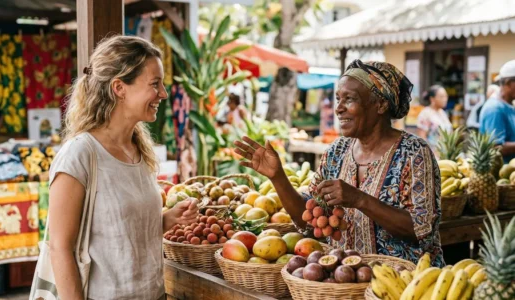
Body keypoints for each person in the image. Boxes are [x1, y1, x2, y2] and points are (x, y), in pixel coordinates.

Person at [235, 59, 444, 267]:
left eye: (349, 99)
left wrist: (359, 199)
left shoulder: (414, 153)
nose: (339, 109)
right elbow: (308, 222)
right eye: (338, 99)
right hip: (347, 282)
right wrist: (278, 177)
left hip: (407, 285)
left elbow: (422, 229)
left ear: (381, 104)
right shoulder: (338, 151)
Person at [48, 35, 198, 299]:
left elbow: (120, 234)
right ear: (119, 88)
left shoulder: (140, 150)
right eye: (155, 84)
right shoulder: (81, 154)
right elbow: (60, 248)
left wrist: (167, 219)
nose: (162, 94)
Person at [480, 60, 515, 163]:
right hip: (501, 174)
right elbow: (496, 147)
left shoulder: (509, 105)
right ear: (508, 83)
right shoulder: (494, 109)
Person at [416, 85, 452, 153]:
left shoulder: (443, 113)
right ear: (432, 99)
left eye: (446, 96)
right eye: (441, 97)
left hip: (444, 156)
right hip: (432, 155)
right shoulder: (425, 114)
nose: (445, 99)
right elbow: (421, 139)